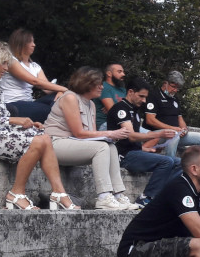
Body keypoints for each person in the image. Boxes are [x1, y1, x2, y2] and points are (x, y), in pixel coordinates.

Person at [0, 40, 76, 210]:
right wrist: (14, 120)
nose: (6, 68)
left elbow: (1, 116)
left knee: (43, 137)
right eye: (3, 63)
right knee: (37, 141)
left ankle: (59, 193)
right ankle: (16, 193)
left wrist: (27, 125)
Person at [45, 66, 139, 210]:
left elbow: (91, 135)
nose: (102, 87)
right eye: (98, 84)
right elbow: (79, 133)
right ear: (86, 83)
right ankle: (103, 197)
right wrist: (110, 133)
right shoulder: (70, 98)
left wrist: (111, 137)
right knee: (101, 147)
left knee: (110, 146)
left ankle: (117, 195)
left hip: (72, 144)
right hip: (53, 144)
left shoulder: (91, 104)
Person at [107, 76, 181, 205]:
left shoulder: (134, 111)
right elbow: (131, 136)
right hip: (123, 156)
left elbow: (132, 141)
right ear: (130, 92)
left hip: (135, 152)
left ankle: (164, 195)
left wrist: (145, 149)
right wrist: (158, 134)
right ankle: (146, 198)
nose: (144, 100)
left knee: (180, 163)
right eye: (141, 96)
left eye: (145, 97)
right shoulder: (121, 109)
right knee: (166, 161)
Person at [0, 28, 67, 121]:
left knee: (62, 99)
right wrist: (65, 89)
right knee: (51, 110)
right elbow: (34, 81)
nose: (34, 45)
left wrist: (61, 92)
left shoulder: (35, 66)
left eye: (33, 42)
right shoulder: (11, 61)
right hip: (12, 104)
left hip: (29, 103)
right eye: (30, 42)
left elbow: (47, 89)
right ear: (21, 44)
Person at [144, 70, 200, 158]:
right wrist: (172, 128)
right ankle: (169, 162)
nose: (175, 90)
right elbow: (150, 120)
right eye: (173, 87)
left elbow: (180, 118)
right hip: (157, 134)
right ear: (165, 83)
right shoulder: (154, 96)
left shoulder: (175, 99)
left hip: (175, 134)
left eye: (177, 88)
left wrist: (184, 129)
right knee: (174, 134)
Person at [96, 63, 127, 130]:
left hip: (121, 122)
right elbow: (114, 111)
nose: (123, 74)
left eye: (123, 72)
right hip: (105, 124)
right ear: (109, 73)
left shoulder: (122, 90)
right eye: (119, 72)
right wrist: (116, 109)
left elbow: (129, 108)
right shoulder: (104, 87)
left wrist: (115, 107)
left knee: (150, 134)